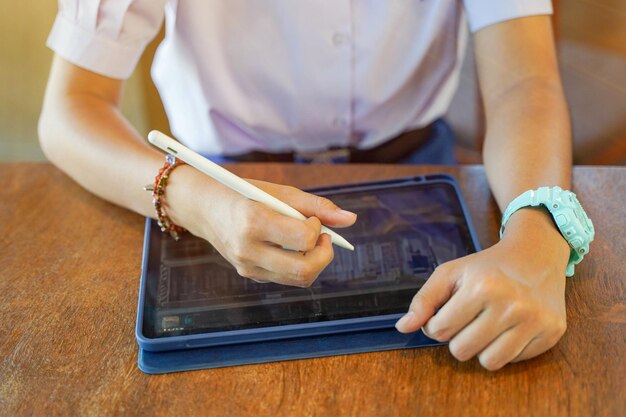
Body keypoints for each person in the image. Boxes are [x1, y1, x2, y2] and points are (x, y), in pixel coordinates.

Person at [39, 1, 580, 371]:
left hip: (415, 167)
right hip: (219, 181)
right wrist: (195, 201)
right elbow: (70, 109)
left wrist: (538, 236)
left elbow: (524, 82)